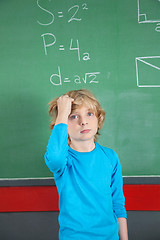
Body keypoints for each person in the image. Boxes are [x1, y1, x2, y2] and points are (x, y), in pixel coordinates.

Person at [44, 89, 128, 240]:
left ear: (98, 118)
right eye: (73, 116)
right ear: (63, 124)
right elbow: (54, 157)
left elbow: (118, 204)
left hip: (110, 236)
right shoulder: (64, 160)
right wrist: (62, 113)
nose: (83, 121)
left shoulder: (110, 157)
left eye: (89, 114)